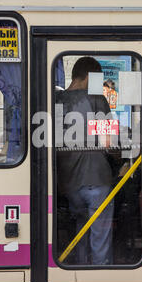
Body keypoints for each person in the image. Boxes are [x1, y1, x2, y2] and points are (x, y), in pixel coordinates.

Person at [55, 56, 114, 265]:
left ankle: (80, 269)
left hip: (68, 181)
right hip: (96, 177)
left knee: (82, 228)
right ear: (90, 76)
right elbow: (109, 142)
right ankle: (100, 276)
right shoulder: (97, 99)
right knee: (100, 235)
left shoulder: (55, 100)